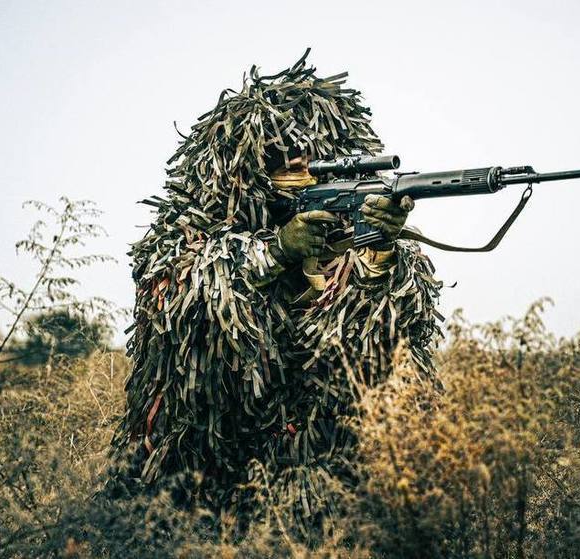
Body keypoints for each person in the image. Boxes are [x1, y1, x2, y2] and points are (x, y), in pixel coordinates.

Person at [112, 49, 442, 532]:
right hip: (205, 469)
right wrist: (277, 251)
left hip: (325, 473)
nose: (302, 169)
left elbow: (381, 345)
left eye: (316, 160)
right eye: (284, 160)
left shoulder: (356, 240)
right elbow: (176, 305)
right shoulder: (186, 230)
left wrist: (379, 253)